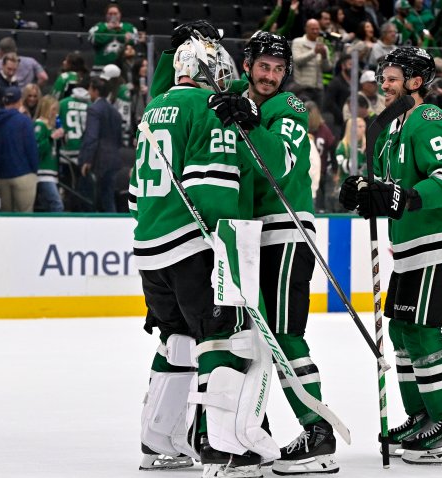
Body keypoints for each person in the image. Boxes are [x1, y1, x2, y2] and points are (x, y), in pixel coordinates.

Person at [339, 46, 442, 465]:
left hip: (437, 237)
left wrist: (399, 195)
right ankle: (423, 416)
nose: (382, 84)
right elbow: (389, 188)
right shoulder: (388, 128)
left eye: (391, 78)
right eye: (382, 78)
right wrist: (363, 191)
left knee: (421, 331)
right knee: (401, 331)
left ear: (416, 82)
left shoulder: (430, 118)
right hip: (409, 241)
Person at [131, 23, 265, 475]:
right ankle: (220, 446)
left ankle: (160, 440)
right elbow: (209, 189)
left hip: (150, 246)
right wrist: (229, 234)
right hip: (191, 244)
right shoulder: (209, 108)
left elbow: (134, 195)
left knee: (177, 340)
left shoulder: (153, 109)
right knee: (219, 338)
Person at [207, 30, 338, 476]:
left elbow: (279, 164)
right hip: (247, 236)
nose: (271, 76)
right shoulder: (233, 100)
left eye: (279, 69)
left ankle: (317, 430)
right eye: (264, 66)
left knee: (284, 334)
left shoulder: (289, 107)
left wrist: (249, 122)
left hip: (285, 231)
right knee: (252, 338)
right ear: (247, 65)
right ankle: (245, 429)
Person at [79, 77, 123, 212]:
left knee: (96, 199)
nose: (88, 92)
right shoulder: (115, 112)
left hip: (99, 160)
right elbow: (119, 138)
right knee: (108, 198)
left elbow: (92, 136)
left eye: (90, 89)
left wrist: (87, 160)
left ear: (96, 91)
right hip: (114, 158)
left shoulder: (94, 109)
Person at [0, 87, 38, 212]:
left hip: (1, 175)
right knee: (25, 215)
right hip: (23, 174)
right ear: (19, 101)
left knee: (6, 217)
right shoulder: (24, 121)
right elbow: (31, 148)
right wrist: (34, 170)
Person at [33, 96, 65, 212]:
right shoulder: (39, 125)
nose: (55, 113)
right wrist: (51, 138)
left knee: (48, 207)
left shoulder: (51, 126)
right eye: (53, 109)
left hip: (52, 172)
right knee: (57, 205)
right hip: (43, 173)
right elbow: (37, 148)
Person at [291, 18, 333, 106]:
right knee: (302, 114)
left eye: (317, 29)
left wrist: (324, 56)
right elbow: (297, 60)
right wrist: (314, 52)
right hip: (302, 87)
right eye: (312, 29)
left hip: (318, 88)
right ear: (306, 29)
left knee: (317, 117)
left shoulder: (323, 46)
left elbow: (327, 68)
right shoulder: (298, 42)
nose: (315, 31)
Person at [88, 3, 141, 69]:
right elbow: (92, 39)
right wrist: (107, 29)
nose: (113, 16)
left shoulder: (129, 27)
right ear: (106, 15)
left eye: (115, 14)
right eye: (110, 14)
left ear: (120, 14)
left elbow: (136, 40)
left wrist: (120, 30)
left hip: (123, 67)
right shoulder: (99, 27)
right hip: (101, 66)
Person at [334, 117, 366, 207]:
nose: (363, 129)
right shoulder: (342, 146)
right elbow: (345, 167)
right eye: (359, 126)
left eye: (364, 126)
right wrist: (360, 153)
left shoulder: (368, 145)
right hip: (346, 189)